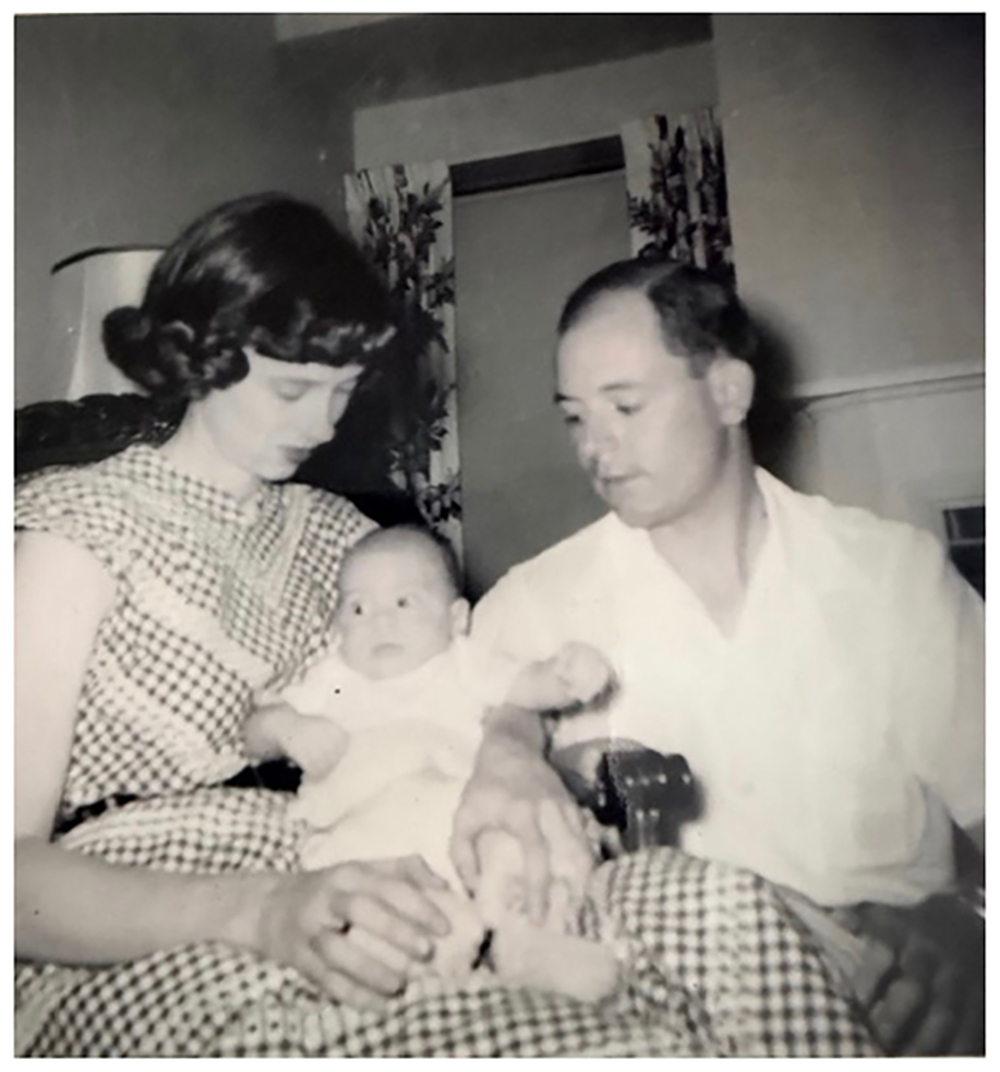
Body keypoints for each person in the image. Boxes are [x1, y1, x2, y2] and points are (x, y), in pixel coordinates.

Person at [14, 197, 876, 1057]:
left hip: (361, 855)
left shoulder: (342, 537)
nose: (322, 424)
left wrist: (513, 756)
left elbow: (466, 685)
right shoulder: (80, 530)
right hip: (144, 928)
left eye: (343, 391)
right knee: (564, 1045)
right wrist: (263, 909)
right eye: (293, 389)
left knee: (726, 918)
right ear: (200, 353)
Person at [453, 256, 985, 1056]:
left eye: (625, 406)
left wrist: (966, 928)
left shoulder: (889, 578)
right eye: (574, 417)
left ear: (729, 392)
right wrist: (507, 750)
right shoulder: (531, 608)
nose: (594, 445)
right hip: (660, 1025)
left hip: (894, 1015)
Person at [244, 524, 620, 1001]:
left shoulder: (463, 662)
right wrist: (288, 729)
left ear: (456, 619)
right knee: (363, 902)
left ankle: (531, 944)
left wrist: (566, 676)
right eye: (358, 608)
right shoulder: (333, 681)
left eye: (404, 603)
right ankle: (419, 970)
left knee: (522, 850)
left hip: (463, 825)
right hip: (369, 831)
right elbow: (254, 732)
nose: (380, 621)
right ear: (337, 628)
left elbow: (526, 687)